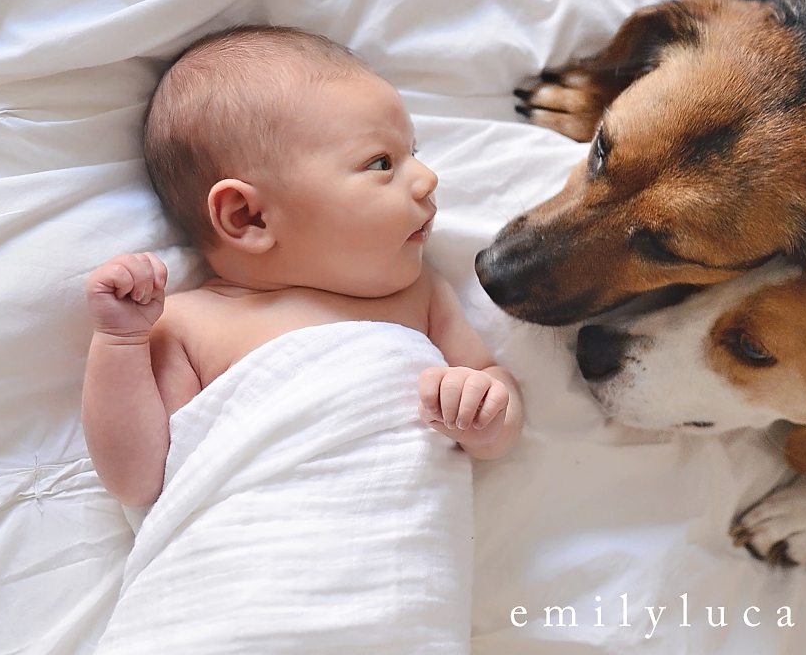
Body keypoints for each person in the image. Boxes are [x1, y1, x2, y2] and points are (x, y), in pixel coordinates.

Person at [82, 25, 522, 507]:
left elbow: (493, 391)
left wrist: (484, 413)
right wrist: (120, 342)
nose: (426, 178)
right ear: (248, 217)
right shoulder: (189, 324)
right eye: (381, 163)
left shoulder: (420, 294)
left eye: (412, 153)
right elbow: (139, 481)